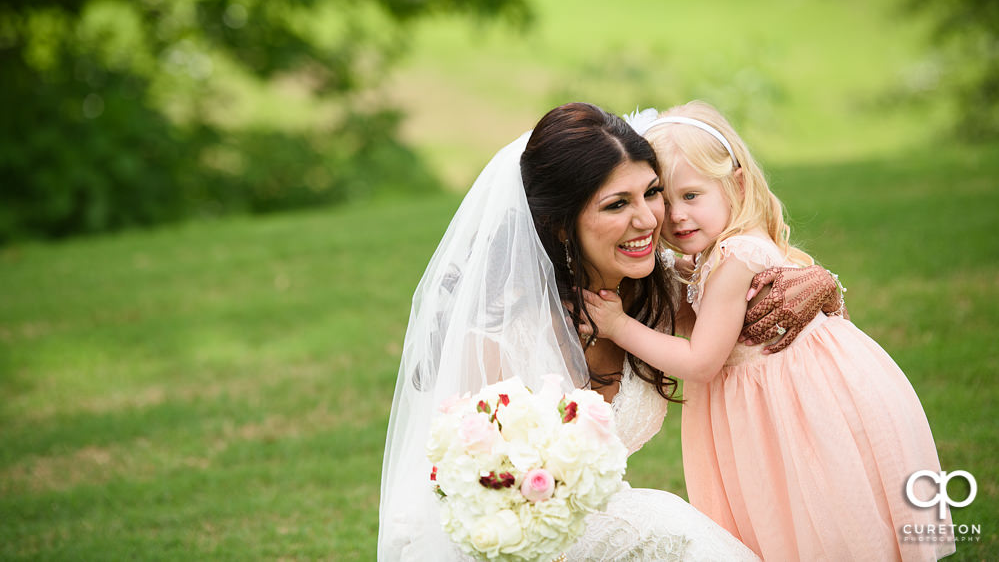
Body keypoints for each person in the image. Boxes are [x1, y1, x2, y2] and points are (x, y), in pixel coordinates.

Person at [378, 102, 837, 561]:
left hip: (622, 533)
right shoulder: (502, 335)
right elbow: (473, 500)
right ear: (561, 225)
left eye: (652, 192)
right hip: (514, 546)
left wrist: (820, 286)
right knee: (670, 527)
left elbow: (756, 287)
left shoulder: (660, 286)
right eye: (617, 204)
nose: (649, 219)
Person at [581, 100, 955, 560]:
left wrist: (618, 325)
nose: (676, 217)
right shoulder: (722, 250)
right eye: (667, 198)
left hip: (793, 401)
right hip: (785, 393)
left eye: (692, 196)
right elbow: (694, 317)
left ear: (736, 185)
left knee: (811, 509)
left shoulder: (733, 258)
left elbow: (700, 361)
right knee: (794, 513)